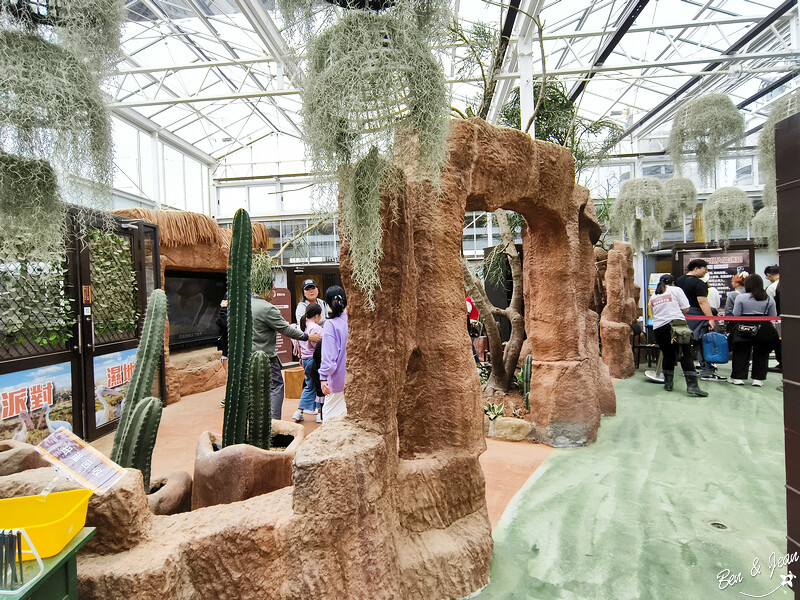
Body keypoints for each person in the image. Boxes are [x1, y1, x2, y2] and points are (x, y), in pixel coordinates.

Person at [253, 281, 322, 420]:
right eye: (273, 290)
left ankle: (256, 421)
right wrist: (307, 337)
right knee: (276, 387)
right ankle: (274, 422)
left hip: (248, 356)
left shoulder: (245, 304)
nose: (274, 293)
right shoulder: (267, 308)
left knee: (255, 389)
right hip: (266, 356)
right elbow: (285, 329)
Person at [649, 274, 708, 397]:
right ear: (673, 282)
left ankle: (668, 384)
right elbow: (686, 308)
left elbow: (654, 314)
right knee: (686, 354)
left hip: (659, 328)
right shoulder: (676, 290)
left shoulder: (654, 295)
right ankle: (692, 386)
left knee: (668, 355)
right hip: (676, 325)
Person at [729, 274, 779, 386]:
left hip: (743, 327)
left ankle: (738, 377)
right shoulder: (769, 299)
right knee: (762, 353)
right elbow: (773, 316)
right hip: (763, 328)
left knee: (741, 352)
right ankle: (758, 379)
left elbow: (736, 314)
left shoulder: (741, 297)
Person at [676, 259, 721, 381]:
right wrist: (710, 318)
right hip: (697, 316)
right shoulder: (699, 283)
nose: (705, 272)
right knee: (703, 342)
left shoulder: (679, 280)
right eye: (704, 269)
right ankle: (706, 370)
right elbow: (702, 301)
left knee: (685, 344)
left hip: (682, 315)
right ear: (696, 268)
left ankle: (688, 370)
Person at [319, 285, 348, 421]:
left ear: (327, 303)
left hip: (336, 381)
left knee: (330, 419)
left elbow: (329, 358)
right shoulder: (352, 322)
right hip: (353, 379)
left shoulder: (330, 324)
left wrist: (323, 377)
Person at [294, 303, 324, 424]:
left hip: (305, 360)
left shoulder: (300, 326)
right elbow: (319, 345)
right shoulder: (316, 328)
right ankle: (319, 413)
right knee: (318, 385)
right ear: (317, 315)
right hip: (314, 360)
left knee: (309, 385)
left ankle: (299, 412)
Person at [764, 265, 782, 373]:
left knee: (779, 342)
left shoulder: (772, 287)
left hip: (777, 320)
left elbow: (770, 305)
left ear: (769, 275)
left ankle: (782, 363)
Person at [216, 294, 228, 407]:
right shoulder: (223, 313)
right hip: (226, 350)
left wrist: (223, 310)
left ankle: (229, 397)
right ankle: (228, 396)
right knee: (228, 375)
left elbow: (226, 324)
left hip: (231, 350)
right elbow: (220, 323)